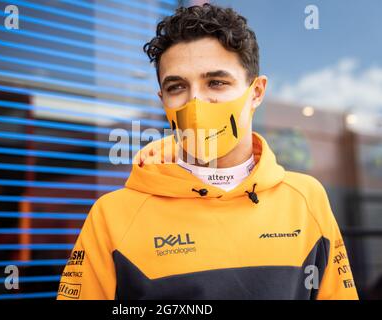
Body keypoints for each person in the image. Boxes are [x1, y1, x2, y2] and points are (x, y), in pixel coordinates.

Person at [57, 3, 358, 300]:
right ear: (162, 99)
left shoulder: (305, 200)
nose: (196, 103)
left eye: (216, 82)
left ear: (256, 92)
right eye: (177, 87)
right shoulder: (113, 216)